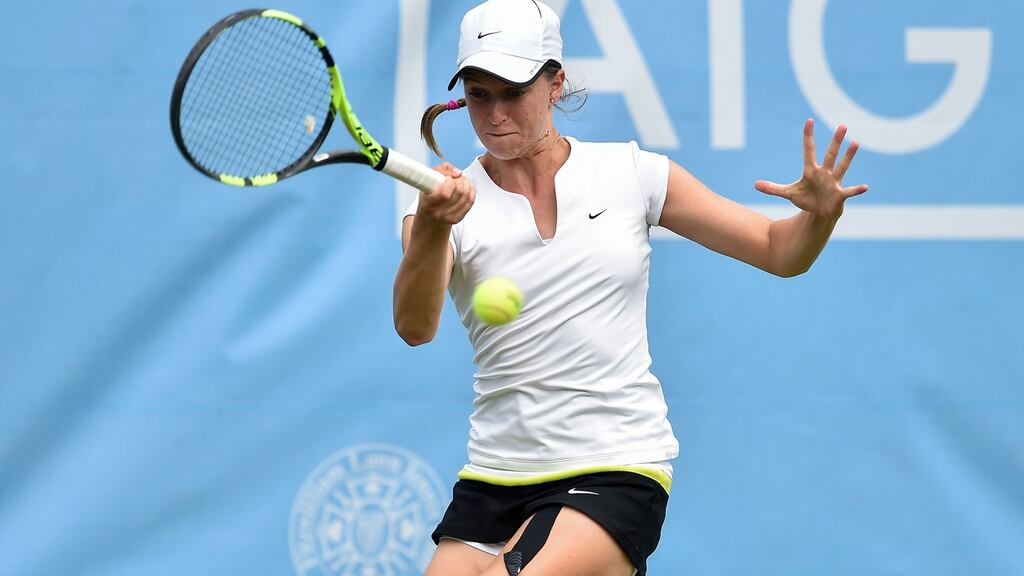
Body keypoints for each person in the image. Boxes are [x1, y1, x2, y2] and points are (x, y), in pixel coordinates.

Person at [393, 1, 868, 575]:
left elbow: (777, 250)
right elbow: (415, 330)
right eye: (478, 95)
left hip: (615, 465)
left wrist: (819, 218)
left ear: (555, 82)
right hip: (494, 474)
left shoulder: (632, 173)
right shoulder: (439, 210)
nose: (495, 114)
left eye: (513, 92)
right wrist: (435, 227)